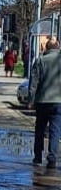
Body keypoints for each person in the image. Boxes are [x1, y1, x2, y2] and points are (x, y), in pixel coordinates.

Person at [30, 37, 61, 169]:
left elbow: (34, 83)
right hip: (58, 101)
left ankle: (38, 156)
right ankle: (52, 158)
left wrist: (31, 100)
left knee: (40, 129)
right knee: (55, 130)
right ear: (58, 47)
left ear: (47, 48)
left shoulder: (40, 61)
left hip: (42, 101)